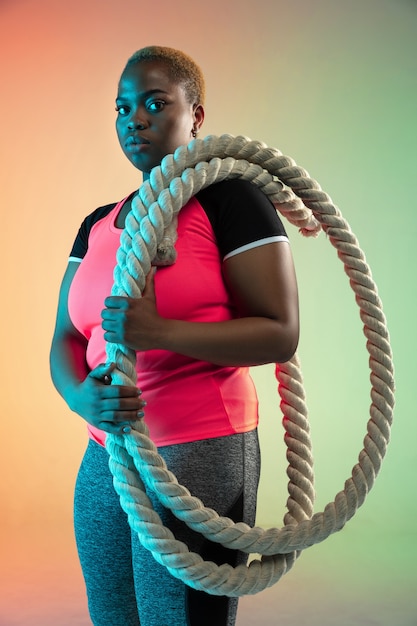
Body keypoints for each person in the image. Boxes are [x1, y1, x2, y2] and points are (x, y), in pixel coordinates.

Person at [50, 45, 299, 626]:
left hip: (202, 449)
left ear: (196, 115)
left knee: (179, 618)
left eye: (155, 103)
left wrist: (159, 331)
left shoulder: (233, 200)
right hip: (106, 450)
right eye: (123, 107)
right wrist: (81, 396)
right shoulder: (98, 224)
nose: (134, 118)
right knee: (112, 613)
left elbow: (279, 334)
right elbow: (65, 335)